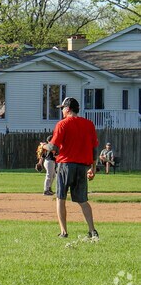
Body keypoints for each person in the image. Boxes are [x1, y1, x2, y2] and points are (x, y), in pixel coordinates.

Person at [44, 97, 99, 239]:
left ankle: (64, 232)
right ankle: (92, 231)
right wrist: (92, 168)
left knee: (60, 198)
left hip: (66, 165)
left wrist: (43, 146)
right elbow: (94, 149)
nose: (62, 111)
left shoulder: (63, 124)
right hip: (82, 167)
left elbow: (54, 147)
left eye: (62, 108)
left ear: (68, 109)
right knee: (82, 200)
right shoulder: (89, 124)